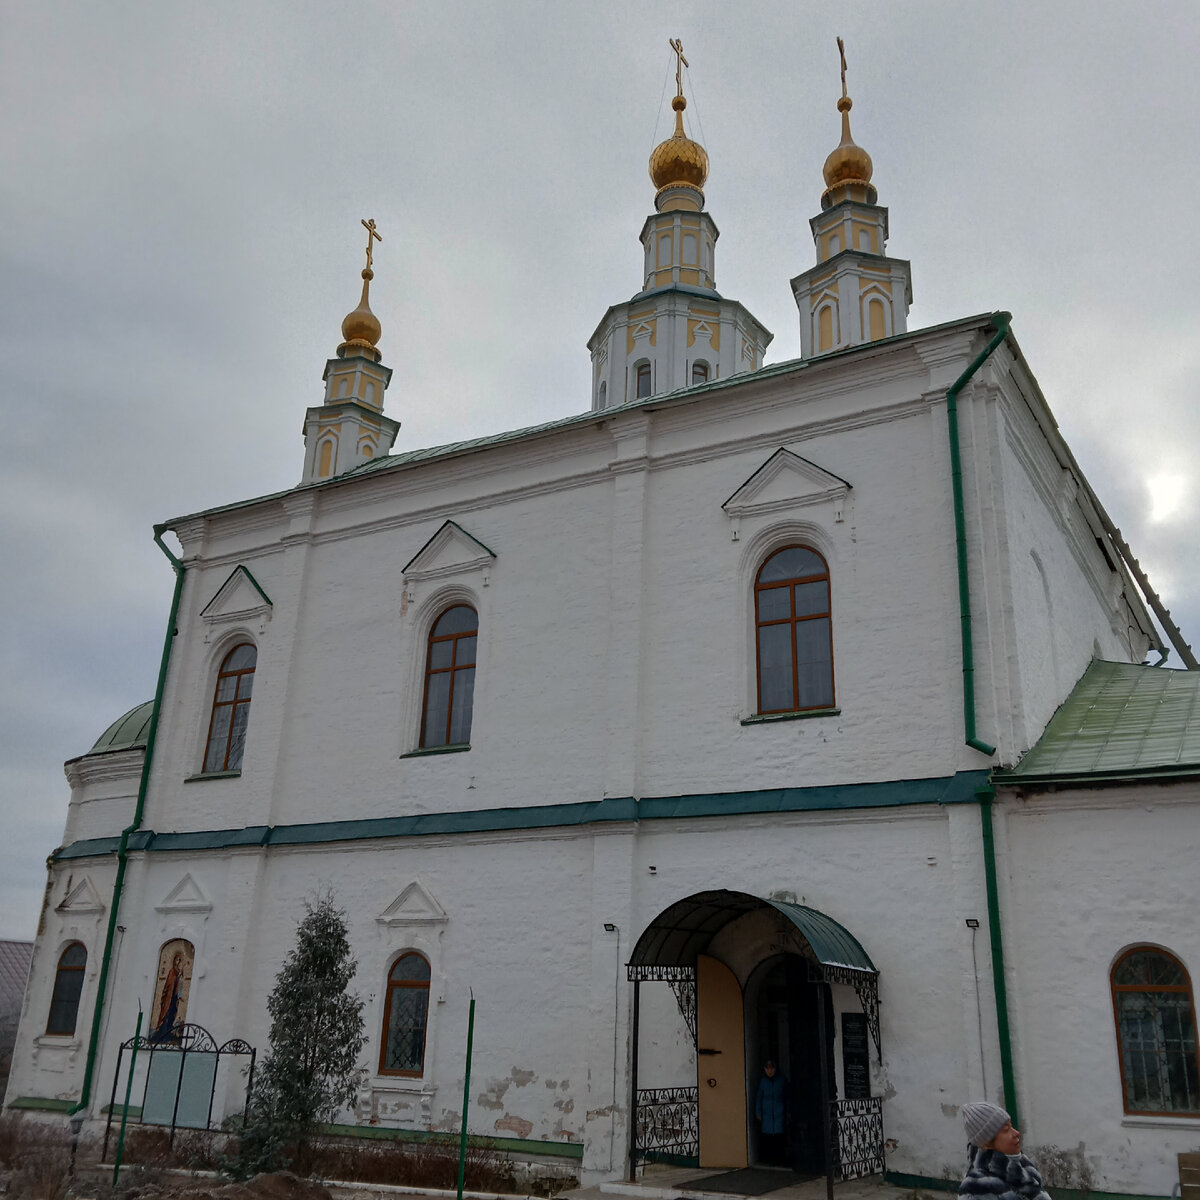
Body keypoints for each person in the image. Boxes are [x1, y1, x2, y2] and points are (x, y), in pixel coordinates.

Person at [959, 1101, 1051, 1200]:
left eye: (1011, 1126)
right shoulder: (975, 1187)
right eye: (1006, 1130)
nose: (1016, 1133)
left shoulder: (1019, 1163)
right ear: (987, 1142)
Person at [755, 1059, 789, 1164]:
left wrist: (787, 1112)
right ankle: (769, 1159)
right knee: (767, 1137)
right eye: (767, 1068)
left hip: (779, 1113)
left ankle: (780, 1159)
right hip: (767, 1114)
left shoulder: (782, 1080)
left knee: (779, 1137)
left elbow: (786, 1096)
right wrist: (758, 1112)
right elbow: (759, 1097)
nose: (769, 1071)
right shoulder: (763, 1082)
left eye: (771, 1068)